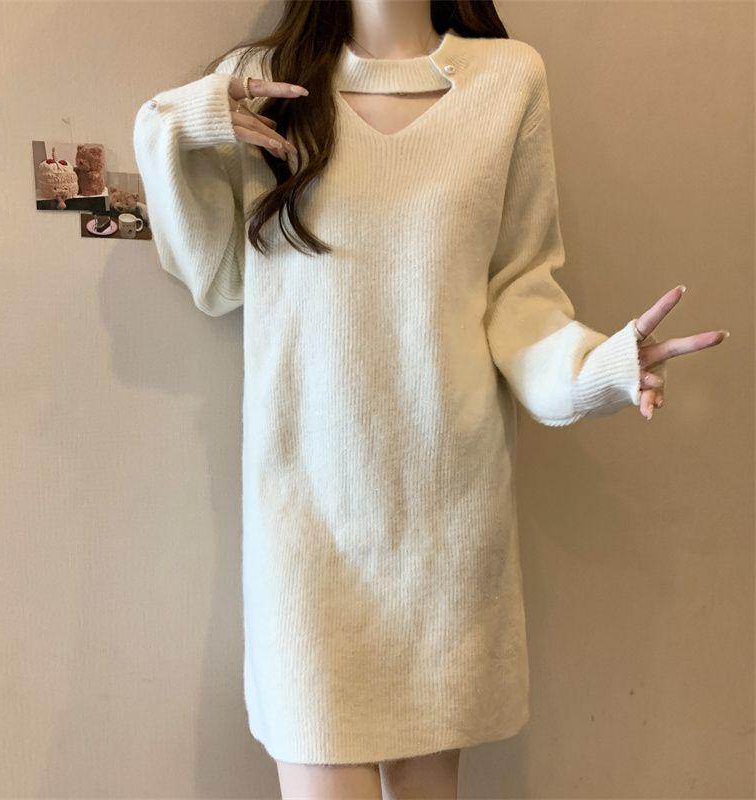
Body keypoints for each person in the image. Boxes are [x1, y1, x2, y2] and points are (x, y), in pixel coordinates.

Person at [132, 1, 728, 797]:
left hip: (445, 523)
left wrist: (596, 368)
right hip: (306, 523)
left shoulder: (508, 80)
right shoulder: (264, 83)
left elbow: (518, 297)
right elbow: (213, 276)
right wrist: (176, 123)